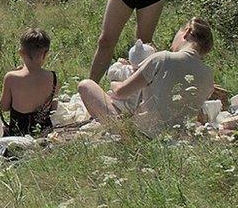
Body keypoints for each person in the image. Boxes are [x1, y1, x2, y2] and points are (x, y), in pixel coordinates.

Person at [77, 18, 214, 137]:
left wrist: (114, 82)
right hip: (176, 135)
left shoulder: (162, 58)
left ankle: (122, 133)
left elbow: (121, 92)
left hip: (144, 133)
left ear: (187, 32)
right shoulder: (208, 74)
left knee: (86, 85)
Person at [0, 28, 59, 136]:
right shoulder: (52, 77)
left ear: (21, 53)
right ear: (46, 54)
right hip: (44, 131)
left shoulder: (11, 77)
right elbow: (53, 108)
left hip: (18, 132)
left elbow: (4, 107)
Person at [106, 39, 157, 113]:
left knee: (87, 85)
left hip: (120, 105)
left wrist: (119, 63)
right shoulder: (154, 75)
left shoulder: (126, 70)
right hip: (137, 109)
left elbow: (111, 72)